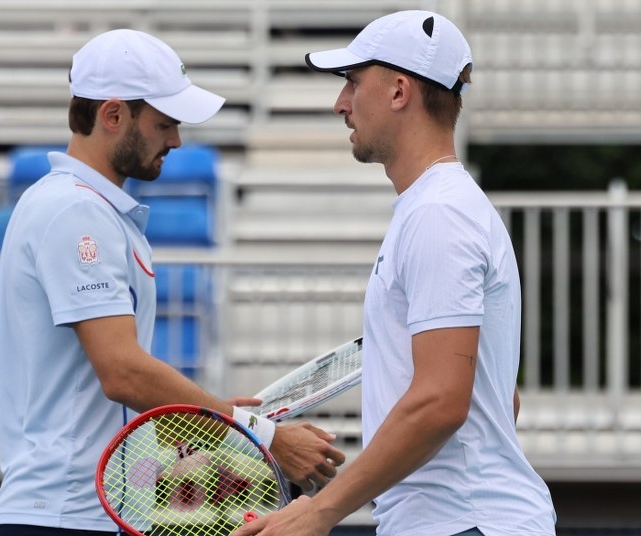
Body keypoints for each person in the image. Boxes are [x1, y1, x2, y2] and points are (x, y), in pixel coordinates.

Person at [0, 29, 345, 535]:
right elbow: (123, 373)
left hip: (85, 513)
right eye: (164, 123)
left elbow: (107, 390)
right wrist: (257, 435)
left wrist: (208, 423)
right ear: (112, 116)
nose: (176, 139)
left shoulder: (86, 209)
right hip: (66, 518)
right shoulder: (76, 212)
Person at [233, 10, 556, 536]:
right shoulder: (438, 206)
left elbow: (441, 402)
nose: (341, 104)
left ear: (400, 91)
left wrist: (317, 512)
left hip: (465, 524)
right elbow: (498, 397)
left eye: (353, 84)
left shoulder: (438, 214)